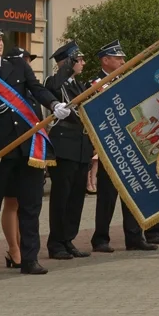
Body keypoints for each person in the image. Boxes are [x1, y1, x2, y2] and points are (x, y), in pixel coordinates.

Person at [0, 20, 72, 276]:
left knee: (31, 205)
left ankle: (29, 258)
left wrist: (54, 105)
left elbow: (36, 90)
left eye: (0, 39)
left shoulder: (18, 65)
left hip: (28, 146)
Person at [89, 40, 158, 253]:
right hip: (110, 148)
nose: (123, 61)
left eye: (122, 57)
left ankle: (135, 236)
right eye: (118, 58)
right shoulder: (96, 83)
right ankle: (100, 239)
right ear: (105, 60)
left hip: (131, 145)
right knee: (107, 197)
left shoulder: (127, 81)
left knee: (133, 193)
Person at [45, 41, 95, 260]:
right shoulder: (55, 81)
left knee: (76, 197)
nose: (83, 63)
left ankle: (68, 239)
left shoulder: (79, 84)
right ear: (69, 62)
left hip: (81, 145)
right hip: (64, 145)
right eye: (79, 59)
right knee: (61, 196)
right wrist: (66, 67)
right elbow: (53, 89)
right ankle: (56, 242)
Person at [0, 47, 42, 267]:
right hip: (11, 153)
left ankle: (27, 250)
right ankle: (13, 249)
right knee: (12, 203)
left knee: (29, 205)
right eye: (24, 60)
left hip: (31, 154)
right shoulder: (7, 91)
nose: (27, 64)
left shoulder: (31, 93)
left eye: (29, 60)